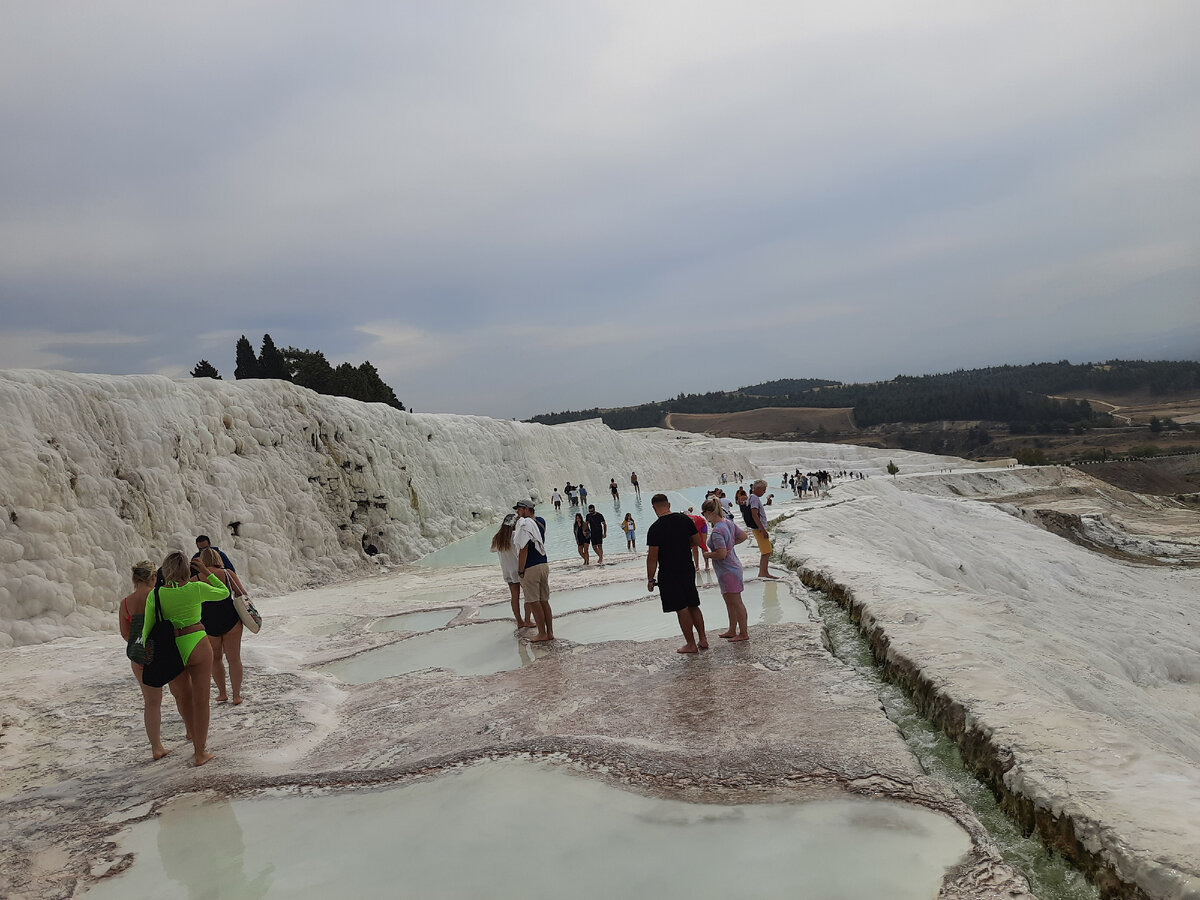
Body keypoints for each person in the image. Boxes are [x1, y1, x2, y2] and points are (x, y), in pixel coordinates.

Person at [142, 551, 230, 766]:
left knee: (183, 697)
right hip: (198, 642)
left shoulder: (156, 594)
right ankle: (200, 752)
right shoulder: (196, 588)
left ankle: (190, 731)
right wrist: (206, 572)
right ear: (186, 570)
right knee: (202, 701)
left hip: (172, 647)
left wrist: (147, 655)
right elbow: (224, 593)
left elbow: (147, 630)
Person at [119, 560, 189, 759]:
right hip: (166, 651)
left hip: (141, 656)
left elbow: (125, 633)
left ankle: (156, 747)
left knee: (151, 702)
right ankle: (191, 731)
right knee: (180, 694)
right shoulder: (159, 595)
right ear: (153, 577)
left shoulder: (125, 602)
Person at [645, 494, 706, 654]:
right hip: (687, 566)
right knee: (693, 603)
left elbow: (652, 558)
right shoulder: (685, 519)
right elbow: (697, 541)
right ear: (669, 504)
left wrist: (650, 579)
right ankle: (703, 639)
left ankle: (691, 644)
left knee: (681, 607)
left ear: (654, 508)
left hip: (669, 571)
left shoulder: (655, 528)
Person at [197, 548, 247, 705]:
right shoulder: (227, 574)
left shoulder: (196, 578)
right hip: (231, 619)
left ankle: (222, 693)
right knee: (234, 659)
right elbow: (241, 593)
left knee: (215, 659)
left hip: (208, 622)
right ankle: (237, 696)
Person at [702, 498, 749, 641]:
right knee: (730, 600)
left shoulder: (717, 531)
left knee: (736, 602)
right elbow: (743, 536)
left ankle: (743, 633)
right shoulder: (728, 523)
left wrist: (708, 555)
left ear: (709, 512)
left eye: (703, 513)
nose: (703, 516)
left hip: (727, 570)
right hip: (732, 566)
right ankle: (732, 629)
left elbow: (721, 554)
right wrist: (730, 546)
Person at [514, 500, 554, 642]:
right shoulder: (541, 521)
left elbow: (524, 548)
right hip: (543, 563)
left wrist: (520, 570)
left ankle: (541, 633)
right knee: (544, 600)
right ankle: (549, 632)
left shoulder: (524, 525)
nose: (517, 512)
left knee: (533, 601)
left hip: (530, 566)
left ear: (526, 509)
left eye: (519, 509)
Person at [492, 514, 534, 628]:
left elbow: (493, 550)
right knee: (528, 595)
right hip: (520, 569)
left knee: (514, 597)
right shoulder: (515, 535)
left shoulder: (497, 538)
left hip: (507, 572)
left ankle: (519, 622)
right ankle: (527, 620)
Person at [747, 479, 778, 579]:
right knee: (766, 551)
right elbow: (754, 515)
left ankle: (763, 572)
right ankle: (763, 573)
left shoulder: (752, 497)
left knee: (766, 551)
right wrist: (763, 530)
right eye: (764, 489)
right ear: (758, 488)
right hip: (759, 529)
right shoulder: (754, 498)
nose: (765, 491)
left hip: (757, 528)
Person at [686, 506, 709, 571]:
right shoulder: (684, 523)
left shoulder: (691, 520)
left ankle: (707, 565)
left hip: (702, 525)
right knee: (694, 546)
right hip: (693, 528)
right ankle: (697, 566)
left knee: (703, 544)